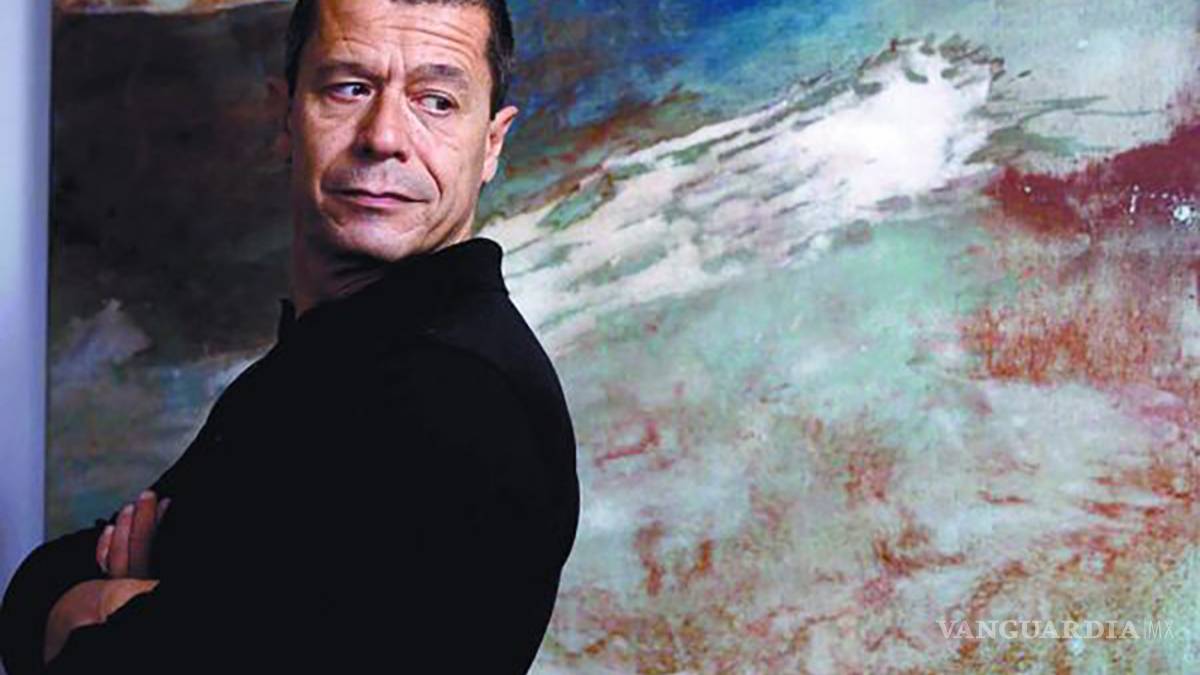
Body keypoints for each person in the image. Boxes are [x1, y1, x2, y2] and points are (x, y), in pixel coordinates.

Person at [0, 0, 580, 673]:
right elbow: (30, 597)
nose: (384, 136)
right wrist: (109, 612)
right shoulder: (324, 364)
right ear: (284, 117)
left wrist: (98, 608)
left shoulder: (458, 396)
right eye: (350, 88)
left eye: (437, 101)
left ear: (492, 145)